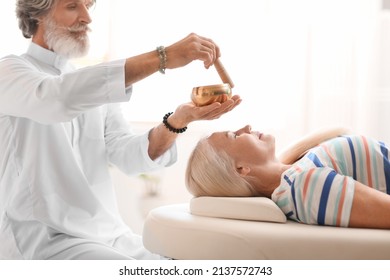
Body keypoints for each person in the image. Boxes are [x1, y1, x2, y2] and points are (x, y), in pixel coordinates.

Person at [0, 0, 241, 260]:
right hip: (44, 240)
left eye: (88, 6)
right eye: (72, 7)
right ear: (38, 15)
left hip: (109, 235)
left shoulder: (90, 85)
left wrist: (178, 121)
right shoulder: (10, 71)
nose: (86, 18)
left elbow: (129, 155)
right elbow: (56, 99)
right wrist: (164, 57)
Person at [185, 125, 390, 230]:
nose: (246, 127)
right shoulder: (304, 188)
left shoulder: (296, 173)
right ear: (240, 169)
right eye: (234, 135)